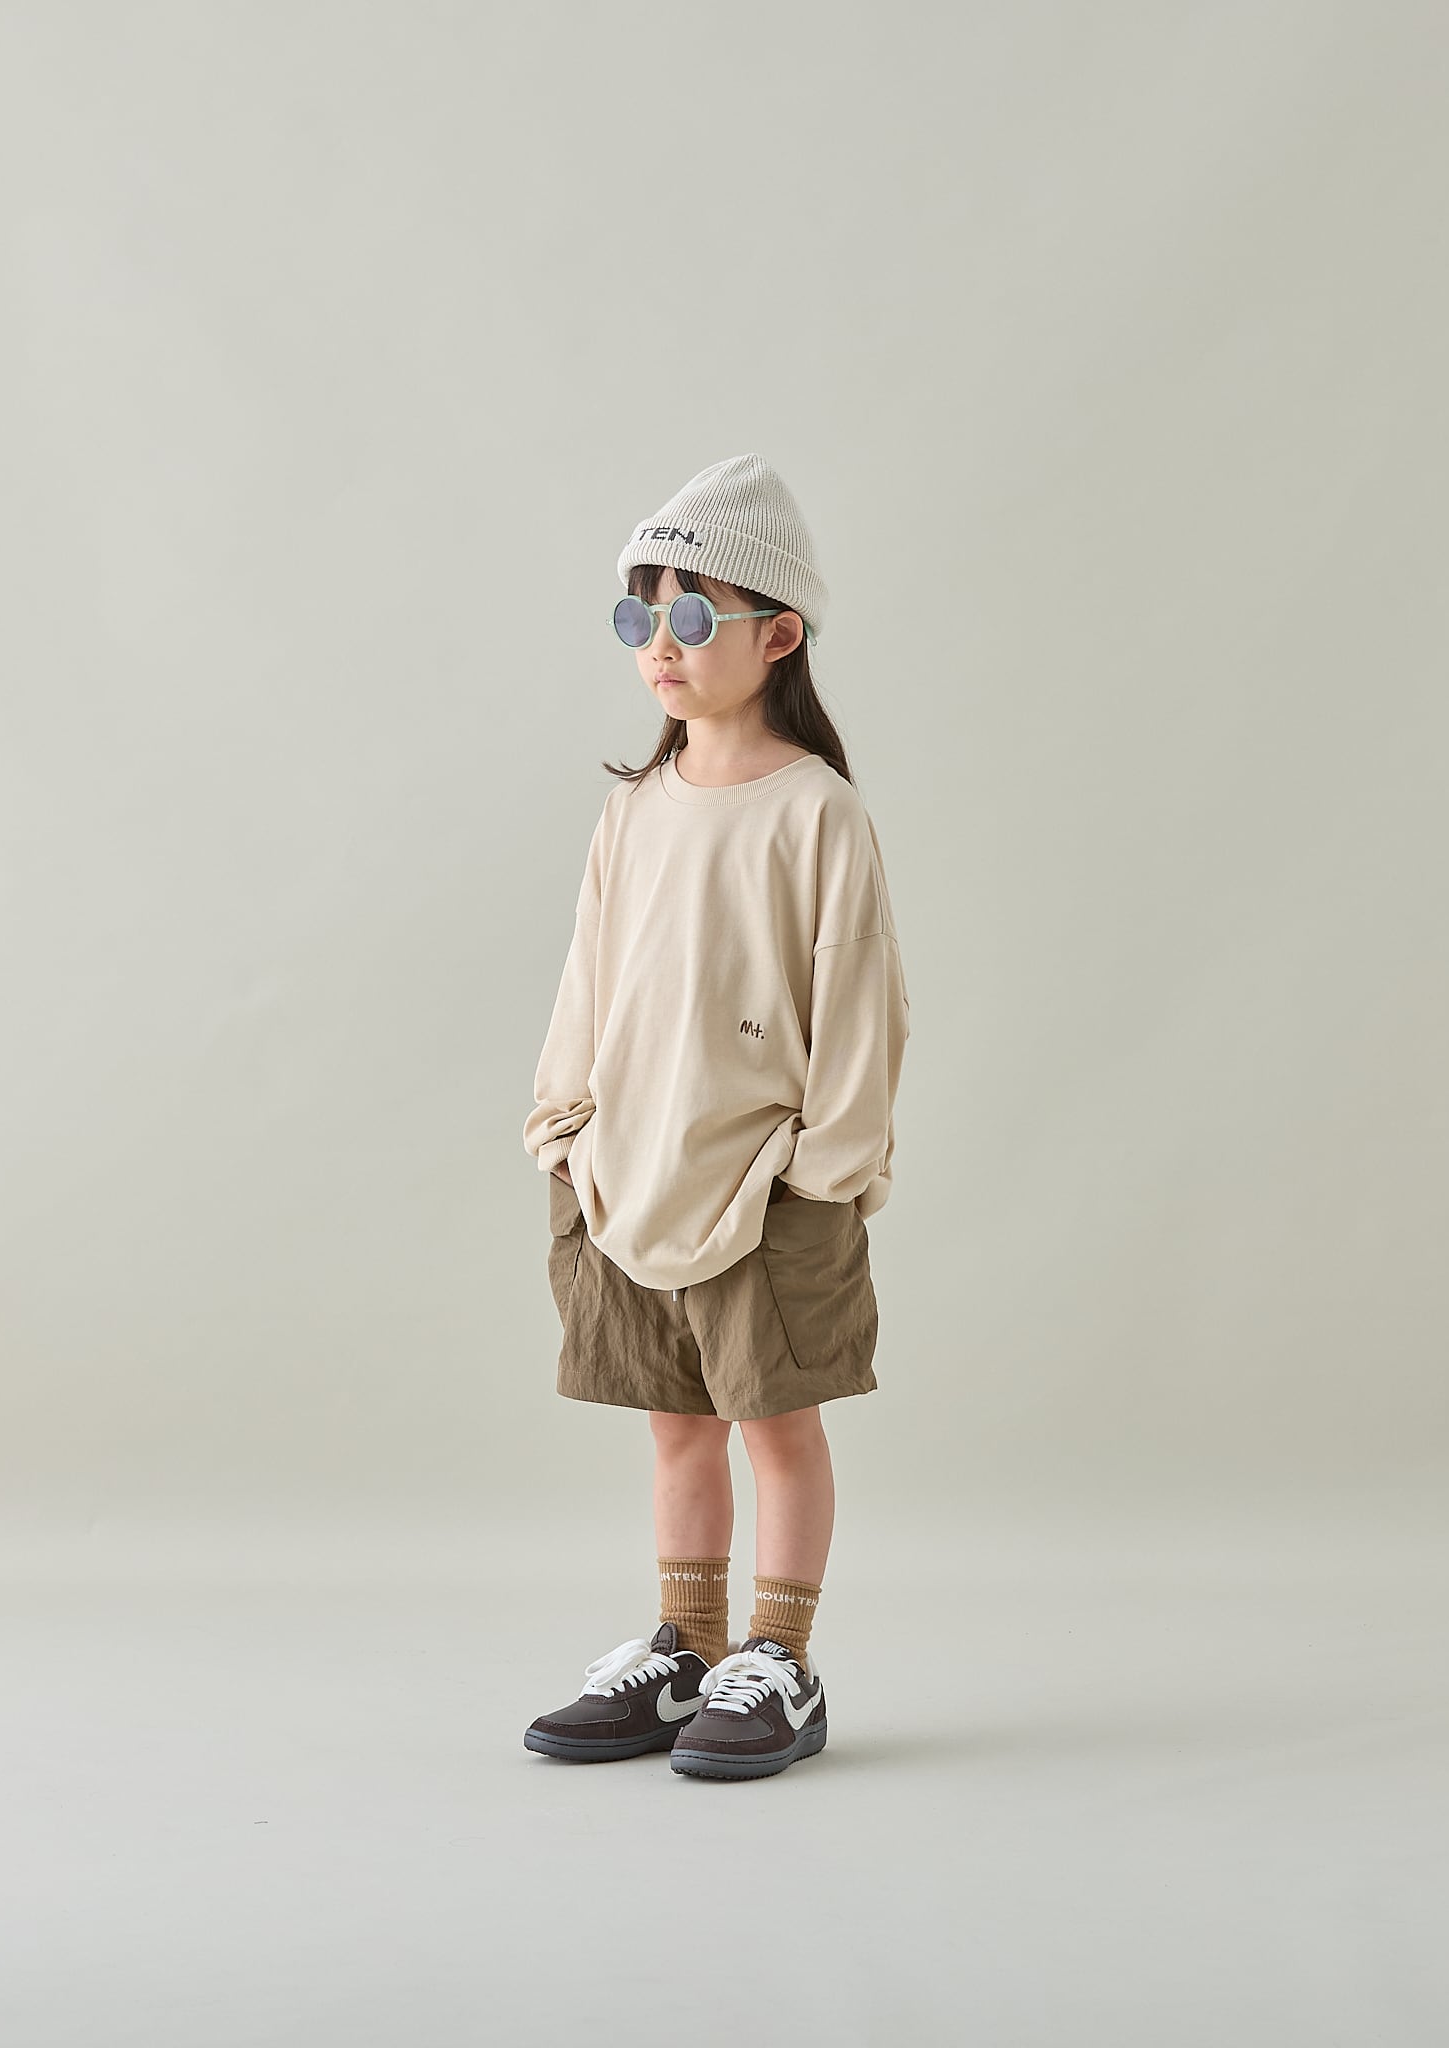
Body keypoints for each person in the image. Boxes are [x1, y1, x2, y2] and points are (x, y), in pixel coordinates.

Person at [519, 453, 911, 1781]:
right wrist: (565, 1127)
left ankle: (779, 1660)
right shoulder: (632, 809)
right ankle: (685, 1648)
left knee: (776, 1427)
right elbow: (589, 976)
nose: (662, 645)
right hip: (627, 1169)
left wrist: (824, 1169)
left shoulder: (817, 813)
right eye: (641, 615)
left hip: (763, 1186)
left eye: (693, 614)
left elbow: (858, 1000)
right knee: (675, 1423)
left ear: (778, 636)